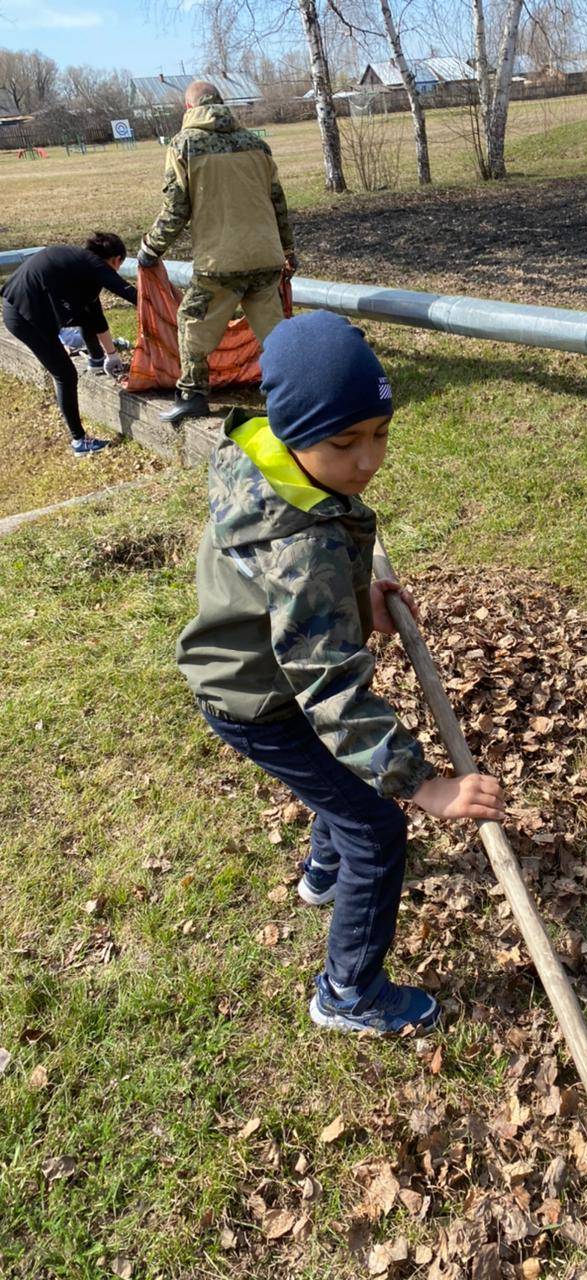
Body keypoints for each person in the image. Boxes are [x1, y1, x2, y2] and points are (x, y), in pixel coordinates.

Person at [176, 310, 505, 1035]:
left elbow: (306, 596)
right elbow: (327, 685)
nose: (366, 460)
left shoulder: (264, 459)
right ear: (294, 431)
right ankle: (347, 993)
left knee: (343, 785)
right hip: (262, 701)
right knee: (378, 827)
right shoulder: (300, 544)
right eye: (345, 442)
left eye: (380, 434)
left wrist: (361, 600)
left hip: (256, 671)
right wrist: (426, 786)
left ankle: (323, 875)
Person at [137, 80, 297, 425]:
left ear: (188, 109)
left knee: (192, 322)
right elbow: (278, 203)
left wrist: (150, 249)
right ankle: (294, 391)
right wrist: (288, 250)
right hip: (266, 257)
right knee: (274, 333)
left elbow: (176, 209)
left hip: (219, 264)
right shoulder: (257, 144)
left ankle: (193, 396)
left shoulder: (185, 145)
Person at [1, 233, 135, 457]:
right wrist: (164, 306)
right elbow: (127, 292)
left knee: (87, 314)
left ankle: (96, 360)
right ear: (116, 259)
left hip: (25, 309)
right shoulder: (95, 266)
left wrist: (111, 355)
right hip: (24, 318)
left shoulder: (80, 265)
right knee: (65, 375)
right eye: (118, 265)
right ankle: (79, 441)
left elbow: (94, 314)